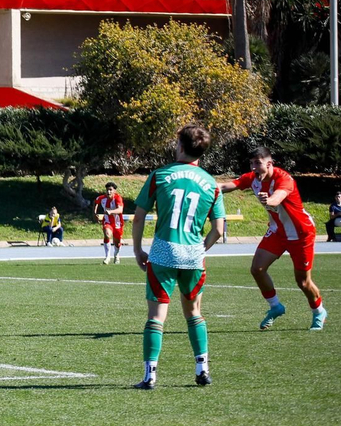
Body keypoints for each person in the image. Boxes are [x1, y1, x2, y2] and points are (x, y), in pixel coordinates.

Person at [132, 123, 225, 389]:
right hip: (193, 255)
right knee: (194, 313)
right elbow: (218, 229)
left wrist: (137, 249)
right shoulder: (211, 183)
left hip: (163, 251)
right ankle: (202, 369)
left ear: (180, 146)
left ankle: (150, 375)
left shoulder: (160, 175)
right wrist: (200, 248)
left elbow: (138, 217)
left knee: (156, 316)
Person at [218, 147, 328, 332]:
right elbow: (225, 186)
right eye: (251, 163)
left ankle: (319, 312)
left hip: (301, 234)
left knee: (303, 282)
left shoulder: (284, 179)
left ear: (269, 164)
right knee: (257, 269)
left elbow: (277, 198)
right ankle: (276, 306)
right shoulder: (252, 178)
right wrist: (203, 185)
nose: (254, 168)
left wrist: (267, 200)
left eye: (258, 163)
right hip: (277, 231)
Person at [93, 183, 126, 263]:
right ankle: (107, 257)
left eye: (110, 190)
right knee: (107, 234)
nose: (108, 192)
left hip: (118, 223)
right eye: (107, 190)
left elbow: (120, 210)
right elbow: (95, 202)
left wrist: (111, 212)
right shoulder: (102, 198)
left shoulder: (118, 198)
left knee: (117, 242)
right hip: (107, 222)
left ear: (114, 191)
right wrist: (94, 213)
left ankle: (116, 254)